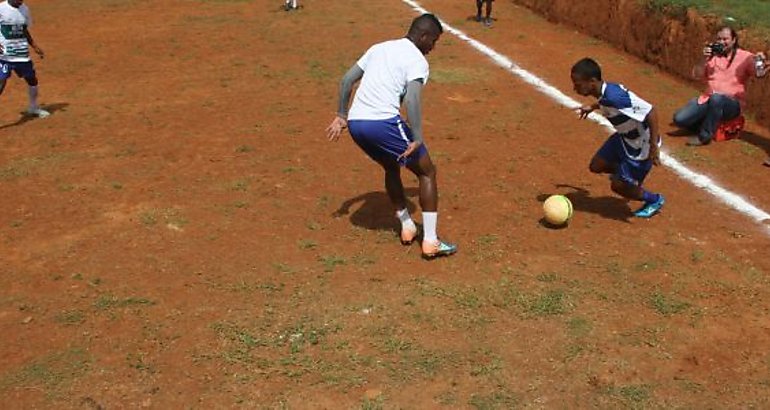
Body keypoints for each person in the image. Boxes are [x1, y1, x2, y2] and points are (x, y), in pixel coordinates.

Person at [325, 13, 458, 259]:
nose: (433, 47)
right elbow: (412, 98)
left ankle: (407, 225)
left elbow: (346, 81)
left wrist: (341, 115)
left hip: (356, 124)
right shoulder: (417, 60)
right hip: (382, 122)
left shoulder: (379, 48)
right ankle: (430, 241)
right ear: (423, 36)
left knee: (390, 165)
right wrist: (416, 136)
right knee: (427, 171)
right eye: (434, 41)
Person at [571, 58, 665, 219]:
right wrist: (592, 107)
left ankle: (654, 200)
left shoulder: (616, 96)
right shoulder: (603, 93)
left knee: (618, 187)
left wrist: (653, 147)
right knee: (596, 166)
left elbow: (651, 112)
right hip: (623, 138)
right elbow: (604, 102)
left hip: (640, 147)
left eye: (578, 84)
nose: (575, 88)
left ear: (592, 81)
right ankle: (625, 175)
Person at [673, 26, 768, 146]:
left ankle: (704, 136)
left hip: (732, 104)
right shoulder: (711, 56)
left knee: (717, 98)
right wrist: (704, 59)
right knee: (679, 119)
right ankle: (706, 121)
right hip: (708, 99)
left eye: (725, 39)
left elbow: (759, 74)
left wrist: (759, 61)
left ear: (733, 40)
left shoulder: (745, 57)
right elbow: (696, 75)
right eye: (719, 39)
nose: (722, 42)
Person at [0, 0, 49, 118]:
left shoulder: (24, 9)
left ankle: (33, 107)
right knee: (1, 82)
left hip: (22, 54)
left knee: (32, 80)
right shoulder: (1, 8)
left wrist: (34, 46)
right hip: (5, 55)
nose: (20, 1)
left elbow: (24, 29)